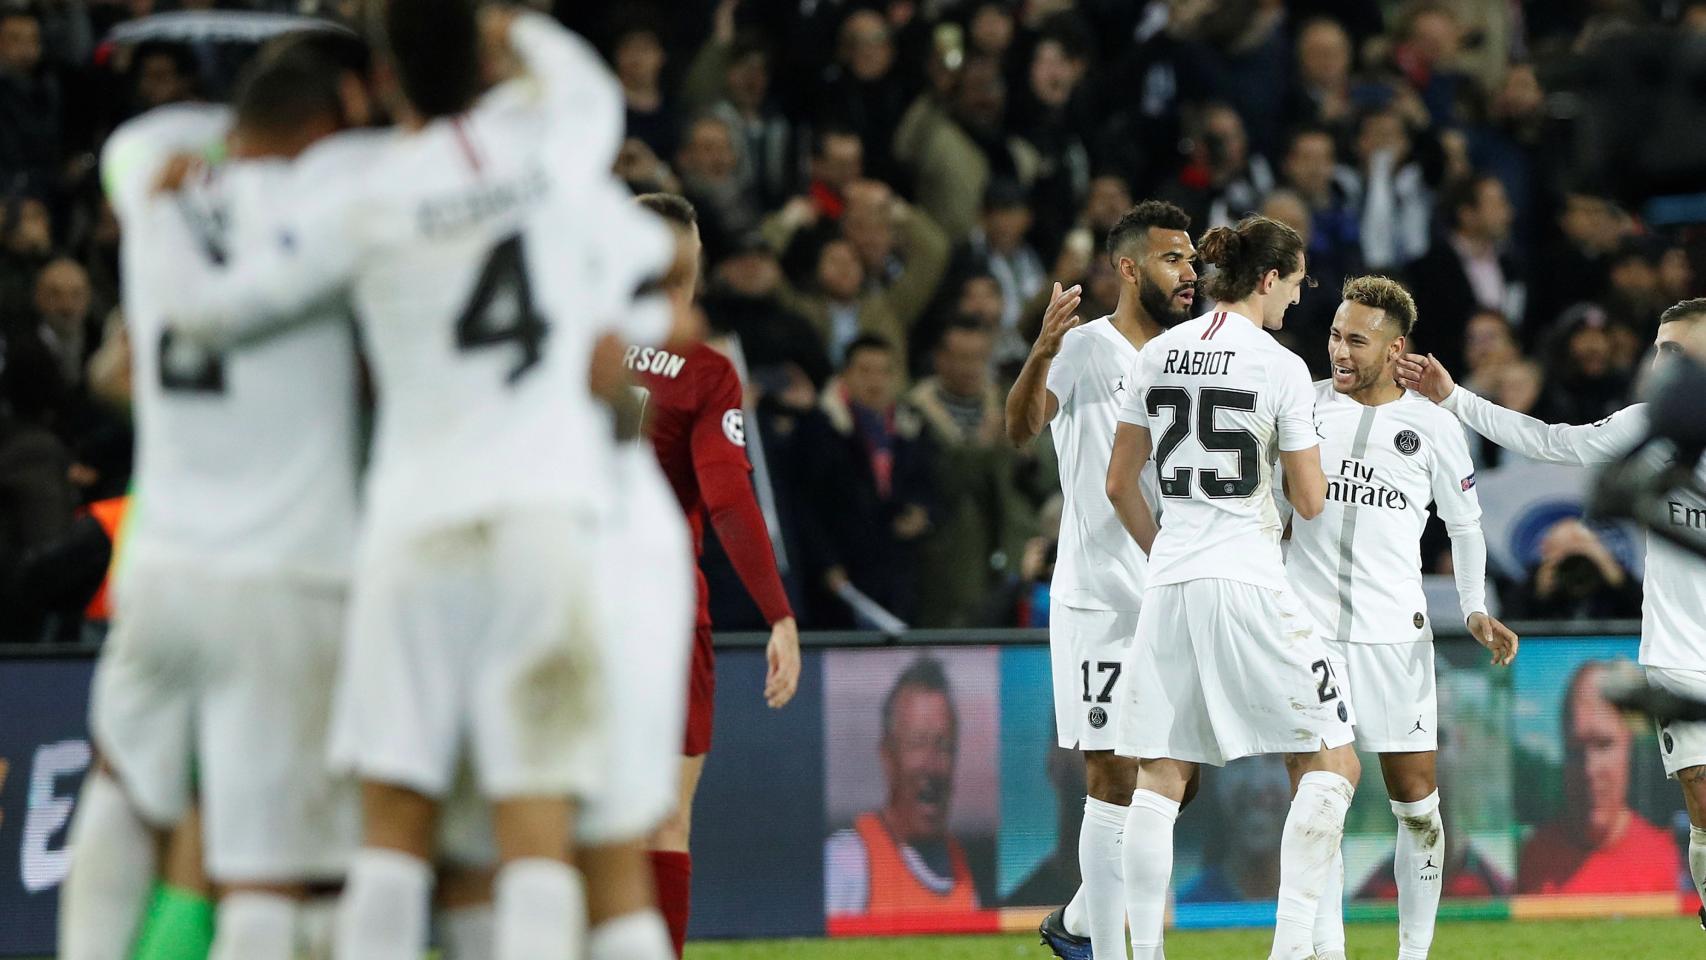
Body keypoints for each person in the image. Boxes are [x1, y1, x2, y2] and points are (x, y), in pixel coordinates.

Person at [162, 7, 642, 958]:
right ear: (490, 56)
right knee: (533, 816)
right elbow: (590, 85)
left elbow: (217, 315)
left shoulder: (366, 200)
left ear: (383, 81)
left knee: (395, 815)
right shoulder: (551, 148)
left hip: (416, 527)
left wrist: (178, 208)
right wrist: (519, 29)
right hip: (547, 512)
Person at [59, 32, 370, 960]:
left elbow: (147, 141)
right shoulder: (340, 216)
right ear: (341, 113)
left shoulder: (156, 178)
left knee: (122, 788)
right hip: (287, 570)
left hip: (162, 563)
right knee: (271, 856)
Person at [1399, 297, 1706, 924]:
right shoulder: (1647, 425)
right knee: (1702, 793)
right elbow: (1549, 443)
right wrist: (1457, 399)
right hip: (1679, 651)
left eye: (1674, 352)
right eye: (1656, 350)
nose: (1659, 363)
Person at [1104, 214, 1357, 960]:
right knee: (1332, 759)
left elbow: (1120, 483)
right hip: (1248, 576)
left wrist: (1166, 554)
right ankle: (1289, 949)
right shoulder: (1279, 366)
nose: (1301, 299)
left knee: (1160, 772)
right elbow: (1308, 502)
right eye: (1299, 282)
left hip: (1172, 578)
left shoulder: (1157, 353)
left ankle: (1141, 954)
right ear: (1270, 278)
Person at [1284, 276, 1519, 960]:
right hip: (1311, 636)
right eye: (1333, 334)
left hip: (1396, 637)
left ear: (1396, 348)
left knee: (1417, 809)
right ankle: (1325, 951)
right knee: (1319, 804)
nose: (1339, 350)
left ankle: (1412, 955)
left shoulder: (1435, 427)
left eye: (1356, 339)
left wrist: (1474, 608)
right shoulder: (1302, 409)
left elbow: (1466, 525)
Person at [1003, 199, 1198, 960]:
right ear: (1127, 268)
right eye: (1172, 259)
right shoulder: (1087, 349)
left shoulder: (1190, 359)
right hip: (1099, 596)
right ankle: (1110, 951)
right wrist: (1041, 351)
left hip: (1173, 591)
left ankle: (1082, 920)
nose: (1189, 274)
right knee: (1112, 772)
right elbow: (1020, 428)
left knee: (1178, 776)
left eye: (1190, 259)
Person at [625, 198, 803, 957]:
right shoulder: (702, 370)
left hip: (557, 601)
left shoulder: (568, 343)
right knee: (663, 819)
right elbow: (727, 495)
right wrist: (778, 614)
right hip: (656, 612)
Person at [824, 656, 978, 918]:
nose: (932, 767)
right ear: (888, 756)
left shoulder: (962, 868)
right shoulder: (847, 863)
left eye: (943, 746)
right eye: (918, 743)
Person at [1515, 662, 1680, 895]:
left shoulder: (1664, 859)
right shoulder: (1535, 859)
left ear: (1629, 747)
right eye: (1575, 750)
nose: (1590, 769)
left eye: (1604, 745)